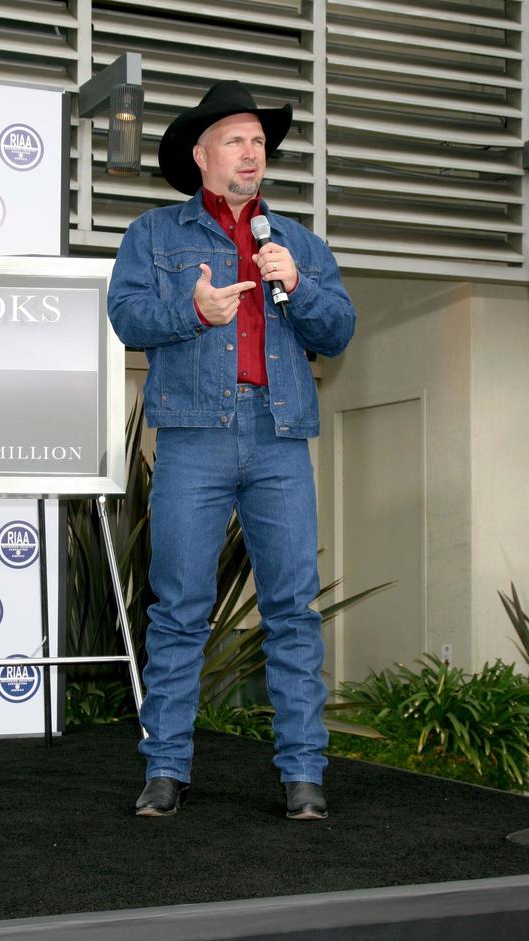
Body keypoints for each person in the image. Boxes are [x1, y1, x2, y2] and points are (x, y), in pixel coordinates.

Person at [108, 80, 356, 820]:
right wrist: (191, 309)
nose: (253, 152)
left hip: (279, 439)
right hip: (193, 438)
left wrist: (298, 286)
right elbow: (126, 316)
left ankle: (303, 775)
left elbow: (338, 331)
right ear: (202, 153)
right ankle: (164, 771)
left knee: (291, 611)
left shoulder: (298, 243)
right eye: (238, 139)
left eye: (259, 141)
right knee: (179, 609)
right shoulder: (156, 234)